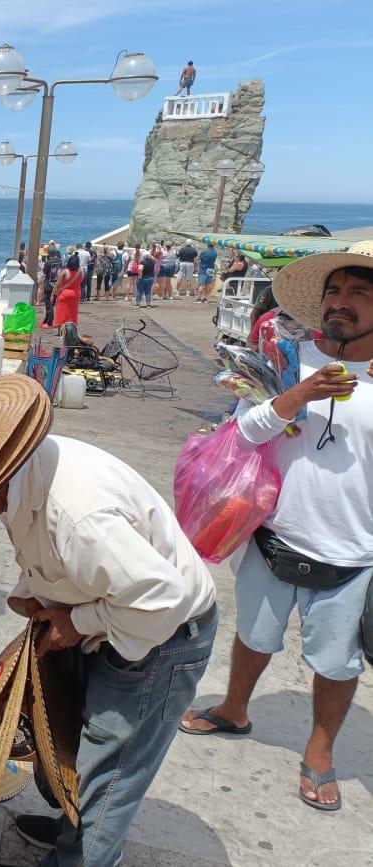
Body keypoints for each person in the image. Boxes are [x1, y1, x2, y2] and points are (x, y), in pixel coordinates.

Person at [0, 376, 217, 867]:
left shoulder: (77, 515)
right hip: (114, 615)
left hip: (163, 634)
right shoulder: (20, 474)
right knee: (76, 747)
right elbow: (56, 557)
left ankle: (81, 855)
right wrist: (37, 597)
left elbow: (163, 599)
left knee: (108, 774)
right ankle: (70, 832)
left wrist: (80, 621)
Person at [180, 244, 373, 814]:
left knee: (337, 662)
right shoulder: (286, 360)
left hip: (355, 553)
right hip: (275, 536)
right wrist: (295, 398)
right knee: (256, 635)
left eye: (359, 294)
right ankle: (234, 709)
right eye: (334, 291)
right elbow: (241, 436)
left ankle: (319, 750)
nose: (340, 303)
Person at [52, 252, 83, 328]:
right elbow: (80, 281)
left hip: (64, 294)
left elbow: (57, 285)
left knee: (61, 313)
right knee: (72, 314)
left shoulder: (65, 272)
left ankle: (61, 332)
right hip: (76, 293)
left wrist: (53, 295)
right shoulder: (80, 271)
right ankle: (71, 331)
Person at [41, 242, 64, 328]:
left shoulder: (48, 263)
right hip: (56, 285)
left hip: (48, 285)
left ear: (49, 253)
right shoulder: (60, 261)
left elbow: (45, 272)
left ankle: (50, 321)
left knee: (48, 304)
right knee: (52, 303)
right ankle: (46, 320)